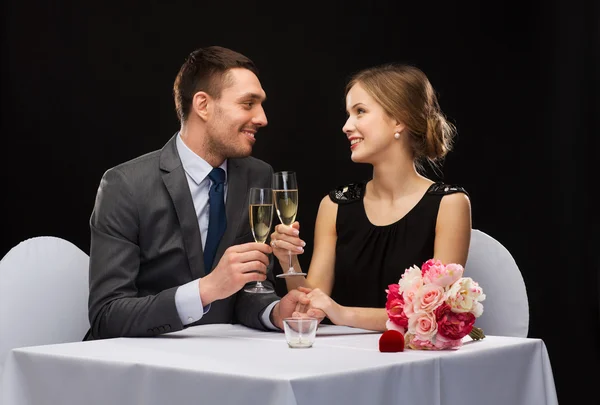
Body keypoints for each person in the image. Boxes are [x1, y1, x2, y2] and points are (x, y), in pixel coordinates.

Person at [85, 46, 310, 340]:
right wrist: (205, 290)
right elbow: (107, 316)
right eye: (248, 104)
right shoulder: (124, 185)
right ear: (202, 105)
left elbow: (253, 287)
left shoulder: (258, 175)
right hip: (140, 366)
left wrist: (274, 312)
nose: (262, 118)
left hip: (225, 361)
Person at [271, 63, 472, 331]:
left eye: (360, 112)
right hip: (341, 359)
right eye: (348, 114)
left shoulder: (450, 204)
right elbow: (310, 307)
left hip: (411, 362)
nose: (346, 126)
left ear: (399, 119)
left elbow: (434, 314)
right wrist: (289, 261)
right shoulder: (335, 205)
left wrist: (342, 313)